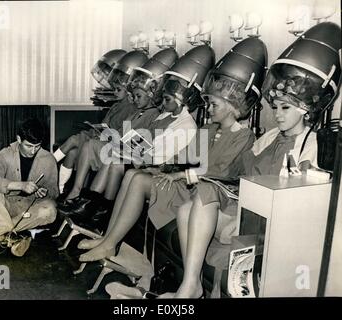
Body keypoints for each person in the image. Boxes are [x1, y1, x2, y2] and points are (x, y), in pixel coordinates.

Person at [160, 22, 341, 298]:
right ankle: (191, 284)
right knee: (188, 208)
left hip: (272, 221)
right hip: (243, 206)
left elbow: (298, 204)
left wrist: (241, 219)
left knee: (197, 204)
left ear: (306, 111)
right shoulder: (267, 138)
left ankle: (189, 288)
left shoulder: (312, 145)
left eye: (285, 108)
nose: (277, 114)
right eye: (275, 107)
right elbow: (238, 174)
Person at [75, 45, 217, 262]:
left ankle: (109, 242)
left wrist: (135, 155)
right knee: (129, 172)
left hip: (165, 172)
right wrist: (132, 150)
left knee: (131, 173)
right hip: (149, 163)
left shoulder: (186, 126)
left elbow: (160, 158)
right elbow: (148, 147)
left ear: (182, 100)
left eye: (167, 99)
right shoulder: (164, 118)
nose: (162, 102)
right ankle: (107, 239)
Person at [58, 48, 180, 214]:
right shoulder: (137, 111)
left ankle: (91, 205)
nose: (135, 100)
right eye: (134, 96)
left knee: (97, 150)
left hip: (130, 155)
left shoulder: (154, 115)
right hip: (119, 147)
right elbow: (123, 132)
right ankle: (78, 192)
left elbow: (146, 145)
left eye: (138, 96)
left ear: (151, 95)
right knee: (89, 145)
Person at [53, 49, 138, 195]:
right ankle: (59, 189)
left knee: (74, 141)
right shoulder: (117, 104)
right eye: (114, 88)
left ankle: (49, 168)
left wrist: (102, 133)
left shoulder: (130, 107)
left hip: (108, 142)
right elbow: (106, 125)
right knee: (72, 151)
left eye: (118, 89)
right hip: (100, 136)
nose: (114, 92)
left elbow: (121, 134)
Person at [0, 118, 59, 257]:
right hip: (7, 203)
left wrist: (45, 192)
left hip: (30, 208)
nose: (33, 151)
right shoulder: (6, 154)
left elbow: (54, 192)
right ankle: (9, 235)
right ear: (19, 139)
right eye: (29, 146)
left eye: (37, 146)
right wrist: (19, 185)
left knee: (50, 211)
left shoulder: (48, 159)